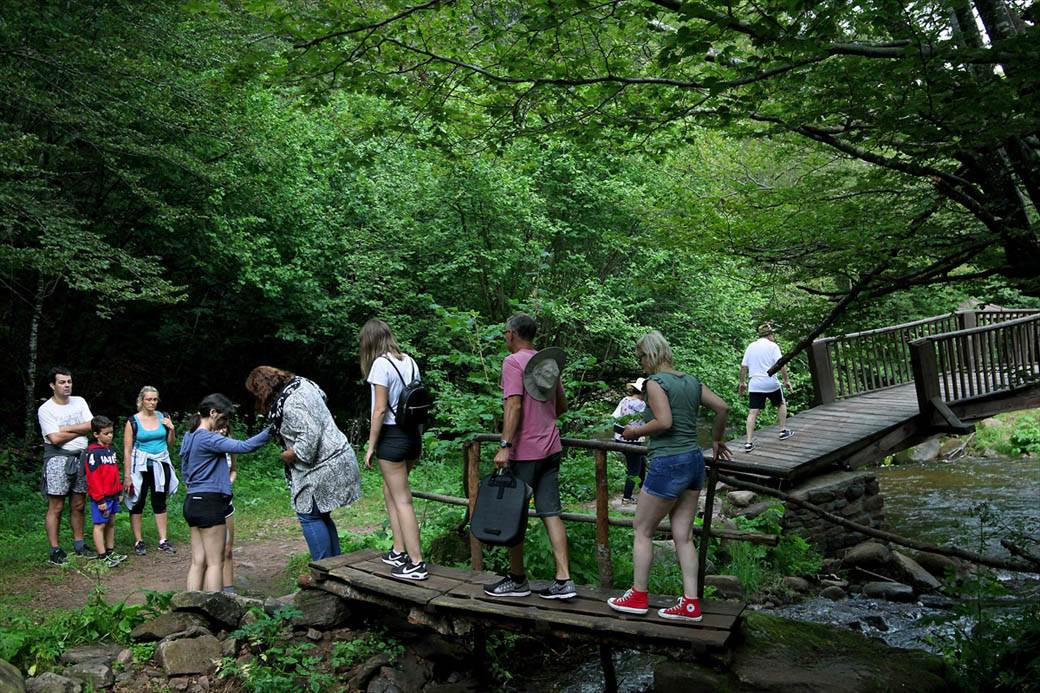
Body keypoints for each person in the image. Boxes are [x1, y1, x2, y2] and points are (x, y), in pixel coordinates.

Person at [607, 330, 732, 623]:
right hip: (693, 461)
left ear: (650, 354)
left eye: (640, 357)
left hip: (668, 461)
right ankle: (690, 603)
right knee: (683, 536)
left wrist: (635, 432)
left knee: (642, 529)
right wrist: (716, 439)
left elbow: (664, 422)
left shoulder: (655, 383)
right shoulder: (691, 381)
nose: (640, 363)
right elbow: (722, 408)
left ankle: (638, 596)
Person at [484, 313, 576, 600]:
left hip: (525, 451)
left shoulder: (513, 362)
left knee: (514, 515)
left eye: (505, 332)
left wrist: (505, 445)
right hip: (551, 447)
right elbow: (561, 406)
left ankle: (517, 579)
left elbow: (513, 405)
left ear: (511, 334)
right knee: (551, 512)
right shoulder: (545, 363)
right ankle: (564, 580)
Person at [245, 366, 361, 564]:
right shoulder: (302, 383)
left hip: (323, 467)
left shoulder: (290, 403)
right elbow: (322, 401)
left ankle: (323, 569)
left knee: (308, 515)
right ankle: (336, 566)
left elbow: (309, 439)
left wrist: (289, 454)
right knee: (321, 514)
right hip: (340, 456)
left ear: (262, 389)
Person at [358, 320, 427, 581]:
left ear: (369, 342)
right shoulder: (410, 361)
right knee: (391, 490)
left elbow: (379, 410)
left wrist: (370, 446)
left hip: (392, 437)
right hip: (412, 436)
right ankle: (399, 550)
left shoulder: (380, 364)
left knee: (402, 499)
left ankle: (417, 563)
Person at [180, 393, 270, 592]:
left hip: (192, 502)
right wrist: (273, 429)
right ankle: (213, 606)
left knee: (198, 561)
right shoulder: (208, 438)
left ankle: (190, 606)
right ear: (213, 413)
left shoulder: (189, 436)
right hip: (209, 503)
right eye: (223, 418)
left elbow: (184, 468)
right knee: (215, 562)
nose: (223, 424)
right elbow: (245, 446)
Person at [38, 367, 93, 564]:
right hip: (57, 459)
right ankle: (55, 550)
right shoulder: (46, 409)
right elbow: (55, 439)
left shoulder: (80, 401)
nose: (67, 385)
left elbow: (92, 425)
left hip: (81, 457)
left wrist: (66, 428)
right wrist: (81, 429)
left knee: (79, 504)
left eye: (69, 381)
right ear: (52, 385)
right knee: (57, 506)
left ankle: (79, 545)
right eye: (62, 382)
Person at [123, 386, 178, 556]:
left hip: (161, 463)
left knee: (159, 502)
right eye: (149, 399)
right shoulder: (133, 421)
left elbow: (170, 444)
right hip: (140, 466)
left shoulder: (164, 417)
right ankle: (138, 541)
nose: (152, 402)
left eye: (155, 399)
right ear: (142, 400)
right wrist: (127, 476)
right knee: (137, 502)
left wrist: (172, 429)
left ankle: (163, 540)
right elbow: (127, 450)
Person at [739, 322, 795, 452]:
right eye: (772, 334)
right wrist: (786, 380)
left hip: (755, 384)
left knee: (753, 412)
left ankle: (748, 443)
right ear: (769, 335)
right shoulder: (773, 346)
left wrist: (742, 383)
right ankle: (782, 431)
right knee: (781, 403)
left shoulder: (751, 346)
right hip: (770, 382)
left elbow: (743, 367)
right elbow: (781, 364)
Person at [83, 416, 127, 567]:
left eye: (111, 432)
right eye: (106, 433)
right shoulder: (93, 453)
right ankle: (102, 556)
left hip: (113, 495)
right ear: (96, 434)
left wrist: (119, 491)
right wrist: (99, 499)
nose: (110, 436)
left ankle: (110, 551)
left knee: (111, 523)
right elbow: (93, 478)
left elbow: (115, 472)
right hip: (101, 498)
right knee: (100, 525)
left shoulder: (110, 450)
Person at [612, 378, 647, 505]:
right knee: (634, 470)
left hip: (620, 438)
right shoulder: (643, 405)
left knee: (641, 464)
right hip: (634, 440)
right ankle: (627, 497)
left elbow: (615, 416)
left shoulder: (625, 400)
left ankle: (645, 491)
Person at [215, 425, 238, 593]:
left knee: (227, 549)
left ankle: (230, 592)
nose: (222, 430)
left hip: (226, 502)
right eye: (218, 427)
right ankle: (209, 591)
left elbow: (234, 469)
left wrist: (228, 482)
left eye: (224, 427)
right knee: (209, 553)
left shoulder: (230, 447)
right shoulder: (203, 446)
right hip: (208, 504)